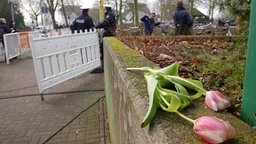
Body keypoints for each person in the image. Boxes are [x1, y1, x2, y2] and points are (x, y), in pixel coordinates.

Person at [92, 4, 117, 73]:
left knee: (103, 49)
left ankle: (104, 66)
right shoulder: (110, 14)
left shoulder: (110, 14)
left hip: (108, 34)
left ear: (106, 8)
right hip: (109, 33)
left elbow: (105, 23)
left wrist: (96, 27)